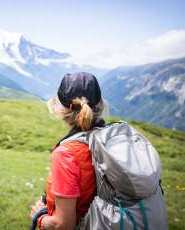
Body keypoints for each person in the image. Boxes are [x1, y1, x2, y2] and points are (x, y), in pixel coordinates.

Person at [30, 72, 106, 229]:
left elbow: (63, 225)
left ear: (61, 108)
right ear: (100, 105)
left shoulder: (66, 153)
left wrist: (39, 217)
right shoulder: (110, 138)